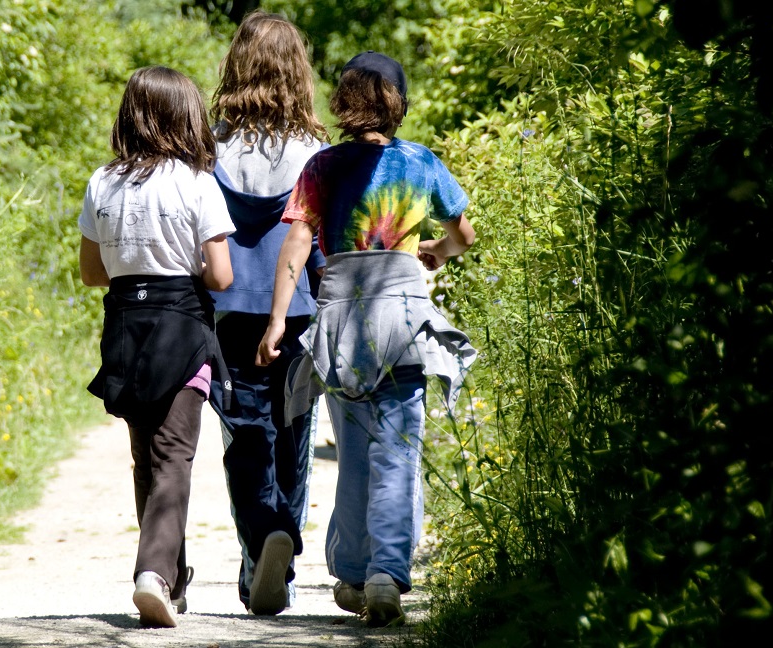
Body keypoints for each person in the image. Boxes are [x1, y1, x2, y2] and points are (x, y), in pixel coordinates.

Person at [257, 52, 478, 627]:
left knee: (354, 454)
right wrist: (434, 251)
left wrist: (279, 320)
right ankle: (384, 575)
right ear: (398, 102)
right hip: (402, 314)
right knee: (398, 451)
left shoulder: (322, 167)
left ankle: (353, 572)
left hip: (343, 320)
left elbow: (298, 245)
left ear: (344, 102)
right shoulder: (421, 163)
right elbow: (464, 236)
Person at [79, 66, 236, 629]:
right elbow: (219, 276)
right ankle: (154, 573)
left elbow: (91, 271)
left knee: (146, 455)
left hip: (126, 326)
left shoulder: (103, 181)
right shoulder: (197, 183)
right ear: (185, 117)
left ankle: (173, 579)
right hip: (182, 326)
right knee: (176, 457)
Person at [205, 10, 327, 616]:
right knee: (294, 433)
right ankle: (286, 558)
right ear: (297, 72)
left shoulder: (212, 147)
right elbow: (322, 241)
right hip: (299, 311)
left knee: (244, 434)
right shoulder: (316, 153)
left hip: (229, 311)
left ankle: (260, 546)